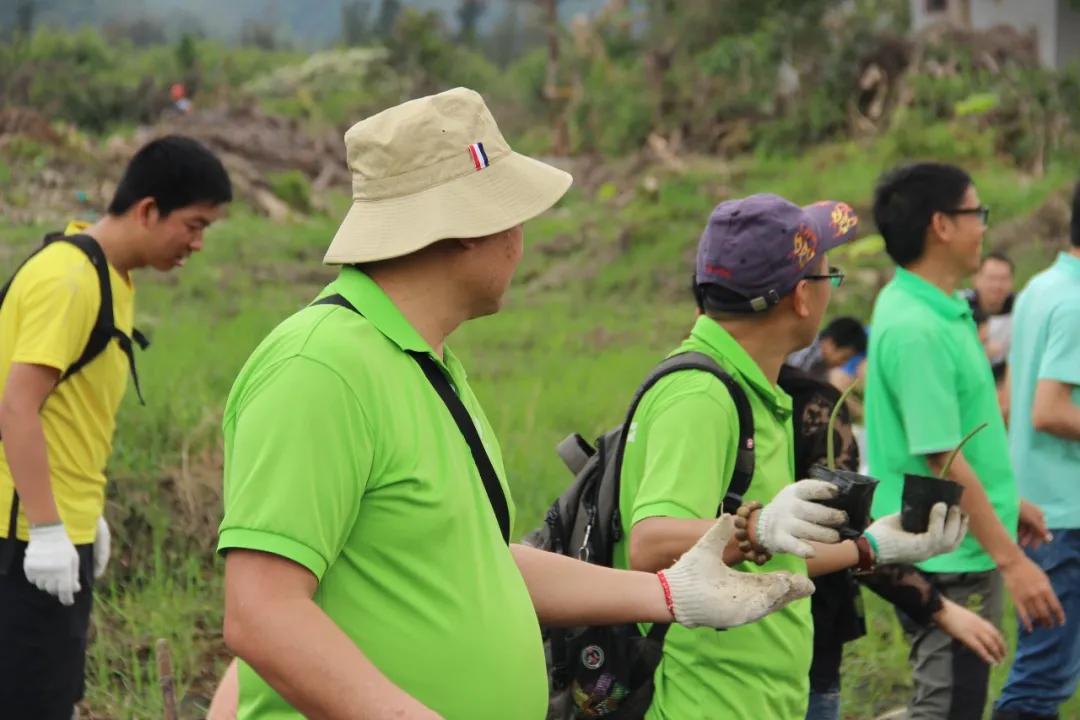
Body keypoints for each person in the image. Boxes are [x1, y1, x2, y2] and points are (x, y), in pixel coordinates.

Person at [214, 88, 832, 720]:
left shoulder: (427, 366)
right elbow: (263, 612)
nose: (519, 239)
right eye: (511, 216)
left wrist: (669, 594)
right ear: (462, 230)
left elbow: (485, 563)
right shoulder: (320, 368)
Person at [612, 193, 967, 719]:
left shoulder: (756, 390)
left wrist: (873, 546)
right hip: (706, 702)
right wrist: (754, 528)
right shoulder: (702, 395)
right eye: (830, 275)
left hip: (754, 697)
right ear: (802, 297)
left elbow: (771, 544)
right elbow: (651, 544)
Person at [0, 135, 232, 719]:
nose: (198, 244)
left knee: (52, 694)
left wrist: (82, 513)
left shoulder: (109, 275)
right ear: (148, 209)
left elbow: (67, 410)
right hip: (22, 538)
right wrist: (50, 528)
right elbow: (16, 405)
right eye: (194, 224)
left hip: (57, 521)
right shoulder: (70, 280)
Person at [866, 162, 1065, 720]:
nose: (984, 225)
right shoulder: (918, 328)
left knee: (955, 701)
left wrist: (1005, 504)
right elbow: (944, 460)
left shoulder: (938, 307)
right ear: (941, 225)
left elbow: (959, 440)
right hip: (947, 552)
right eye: (976, 212)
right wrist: (1014, 563)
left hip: (963, 534)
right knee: (948, 707)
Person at [779, 363, 1005, 720]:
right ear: (802, 303)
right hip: (798, 650)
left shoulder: (697, 383)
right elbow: (843, 533)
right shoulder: (809, 402)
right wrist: (937, 605)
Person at [991, 181, 1080, 720]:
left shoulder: (1042, 286)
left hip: (1040, 504)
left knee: (1045, 670)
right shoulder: (1074, 302)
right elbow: (1047, 409)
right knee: (1041, 681)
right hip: (1065, 516)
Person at [961, 251, 1015, 376]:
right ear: (976, 279)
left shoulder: (1020, 308)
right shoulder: (960, 306)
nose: (997, 285)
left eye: (1003, 279)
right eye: (991, 278)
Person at [787, 315, 867, 384]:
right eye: (844, 358)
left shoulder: (822, 365)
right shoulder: (805, 350)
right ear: (830, 343)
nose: (843, 364)